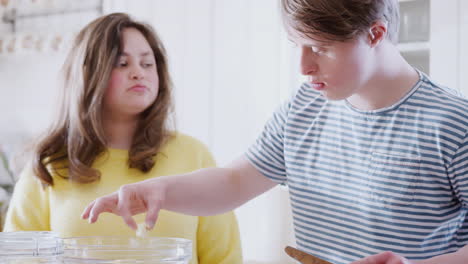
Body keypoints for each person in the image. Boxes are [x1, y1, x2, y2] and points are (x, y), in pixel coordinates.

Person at [82, 1, 468, 263]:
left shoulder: (452, 122)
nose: (303, 66)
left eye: (319, 47)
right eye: (297, 45)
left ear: (375, 34)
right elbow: (235, 182)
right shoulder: (304, 107)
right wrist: (159, 192)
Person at [3, 13, 242, 264]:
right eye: (122, 63)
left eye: (147, 64)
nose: (138, 72)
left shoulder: (194, 154)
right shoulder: (50, 163)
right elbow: (18, 257)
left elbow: (225, 258)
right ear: (88, 74)